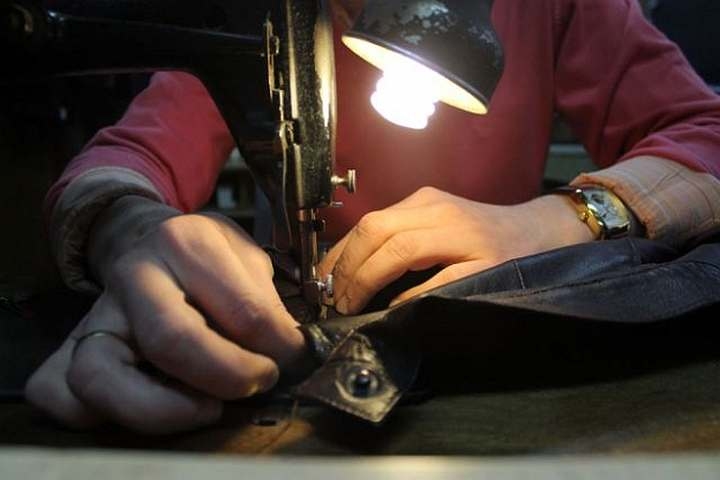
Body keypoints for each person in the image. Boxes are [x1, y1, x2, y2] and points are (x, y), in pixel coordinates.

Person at [26, 0, 720, 433]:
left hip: (496, 348)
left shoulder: (560, 8)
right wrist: (129, 230)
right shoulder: (268, 15)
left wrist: (567, 217)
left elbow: (707, 133)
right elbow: (124, 160)